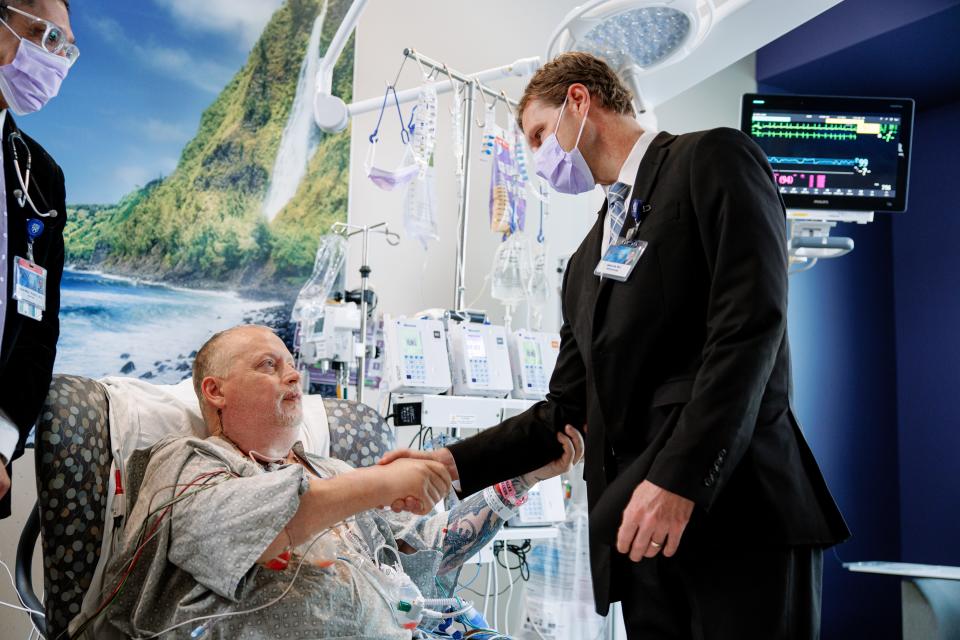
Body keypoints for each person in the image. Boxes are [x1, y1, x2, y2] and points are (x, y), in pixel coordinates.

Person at [381, 52, 851, 639]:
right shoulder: (585, 262)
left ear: (580, 101)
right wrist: (447, 464)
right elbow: (564, 408)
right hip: (640, 533)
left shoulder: (710, 160)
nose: (537, 159)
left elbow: (749, 330)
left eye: (538, 134)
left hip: (736, 511)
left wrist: (679, 481)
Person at [85, 325, 582, 639]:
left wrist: (523, 478)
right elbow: (254, 532)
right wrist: (381, 483)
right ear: (215, 391)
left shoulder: (331, 473)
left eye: (293, 366)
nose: (293, 377)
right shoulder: (187, 462)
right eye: (269, 366)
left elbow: (436, 551)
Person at [0, 0, 76, 518]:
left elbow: (39, 327)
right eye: (47, 38)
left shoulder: (41, 176)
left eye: (67, 50)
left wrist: (4, 436)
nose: (57, 61)